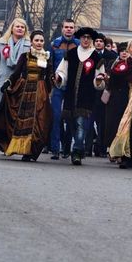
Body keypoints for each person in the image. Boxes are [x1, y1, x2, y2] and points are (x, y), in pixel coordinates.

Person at [0, 30, 53, 161]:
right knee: (19, 120)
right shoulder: (25, 56)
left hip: (39, 91)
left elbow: (49, 76)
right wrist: (8, 82)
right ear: (32, 42)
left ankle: (29, 151)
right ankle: (16, 146)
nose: (39, 43)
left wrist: (51, 86)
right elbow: (17, 72)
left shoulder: (46, 57)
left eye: (41, 41)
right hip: (24, 90)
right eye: (36, 40)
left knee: (38, 121)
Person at [54, 27, 106, 165]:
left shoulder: (96, 57)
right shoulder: (70, 54)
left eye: (89, 38)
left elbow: (99, 79)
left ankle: (76, 151)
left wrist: (99, 80)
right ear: (80, 39)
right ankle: (79, 147)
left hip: (86, 97)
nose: (86, 40)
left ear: (91, 40)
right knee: (71, 124)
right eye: (84, 37)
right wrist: (59, 77)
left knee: (81, 124)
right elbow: (62, 72)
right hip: (71, 95)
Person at [105, 38, 132, 169]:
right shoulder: (122, 64)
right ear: (129, 49)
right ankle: (121, 155)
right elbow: (114, 80)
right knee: (122, 126)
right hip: (122, 99)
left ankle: (131, 157)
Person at [49, 19, 80, 160]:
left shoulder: (79, 45)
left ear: (74, 29)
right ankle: (55, 148)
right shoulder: (55, 45)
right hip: (58, 87)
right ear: (62, 28)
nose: (68, 29)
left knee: (71, 119)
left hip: (73, 89)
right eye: (66, 27)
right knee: (56, 117)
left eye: (71, 27)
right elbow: (50, 65)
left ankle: (67, 147)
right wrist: (52, 80)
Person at [85, 33, 118, 157]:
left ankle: (102, 148)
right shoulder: (89, 55)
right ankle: (87, 148)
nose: (98, 43)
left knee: (102, 123)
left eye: (101, 41)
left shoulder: (112, 56)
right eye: (97, 41)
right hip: (91, 93)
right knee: (89, 122)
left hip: (105, 93)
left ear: (104, 43)